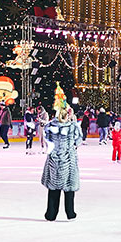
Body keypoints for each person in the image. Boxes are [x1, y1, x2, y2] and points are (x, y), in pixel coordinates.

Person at [41, 91, 82, 219]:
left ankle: (51, 214)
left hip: (54, 159)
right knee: (69, 189)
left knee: (53, 190)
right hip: (68, 159)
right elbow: (78, 141)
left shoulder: (49, 126)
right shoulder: (72, 127)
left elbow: (46, 139)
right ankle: (70, 213)